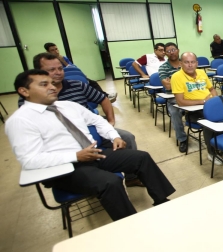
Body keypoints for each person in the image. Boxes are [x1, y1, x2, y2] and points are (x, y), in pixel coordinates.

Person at [6, 70, 175, 221]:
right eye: (44, 84)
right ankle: (128, 224)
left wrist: (114, 136)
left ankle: (162, 201)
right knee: (110, 182)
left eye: (52, 83)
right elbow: (30, 160)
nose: (52, 87)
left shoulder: (68, 106)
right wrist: (75, 156)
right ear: (24, 91)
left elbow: (97, 121)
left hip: (94, 154)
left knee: (141, 158)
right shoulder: (21, 121)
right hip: (66, 168)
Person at [25, 53, 142, 187]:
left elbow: (103, 99)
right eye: (51, 70)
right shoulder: (32, 96)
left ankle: (131, 177)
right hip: (60, 138)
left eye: (60, 68)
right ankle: (88, 179)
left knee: (127, 137)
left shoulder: (77, 85)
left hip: (90, 128)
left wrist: (110, 121)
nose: (58, 72)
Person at [171, 52, 223, 165]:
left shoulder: (202, 72)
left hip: (210, 106)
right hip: (193, 112)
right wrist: (203, 101)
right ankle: (212, 152)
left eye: (192, 62)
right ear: (181, 63)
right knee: (209, 122)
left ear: (197, 63)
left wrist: (214, 100)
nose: (190, 65)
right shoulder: (176, 77)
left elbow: (212, 89)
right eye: (186, 62)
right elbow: (180, 102)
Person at [44, 42, 117, 102]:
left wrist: (64, 61)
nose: (56, 51)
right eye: (53, 50)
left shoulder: (64, 58)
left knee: (92, 83)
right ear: (48, 52)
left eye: (56, 49)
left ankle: (105, 96)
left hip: (73, 76)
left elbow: (73, 68)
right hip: (63, 79)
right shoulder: (47, 62)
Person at [157, 42, 189, 153]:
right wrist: (184, 81)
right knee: (175, 114)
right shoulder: (163, 68)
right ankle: (183, 139)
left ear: (178, 50)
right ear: (165, 53)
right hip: (173, 98)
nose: (172, 52)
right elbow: (167, 86)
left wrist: (174, 81)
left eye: (173, 50)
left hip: (190, 96)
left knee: (207, 107)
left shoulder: (186, 64)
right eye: (169, 51)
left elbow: (194, 81)